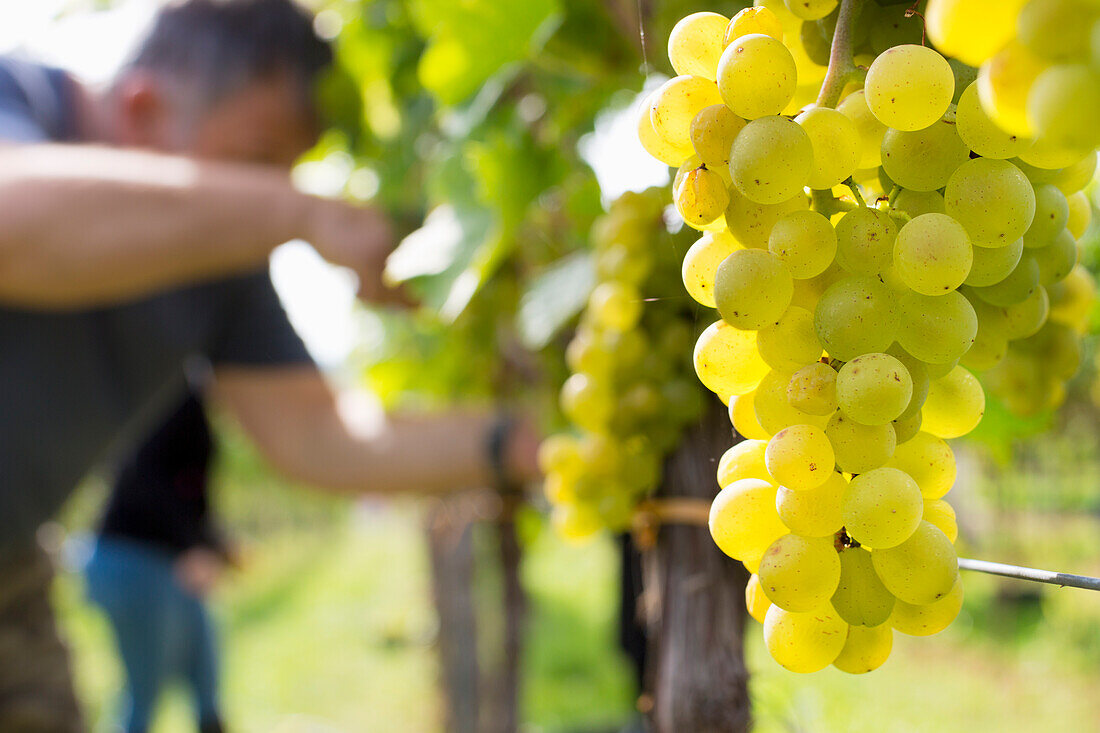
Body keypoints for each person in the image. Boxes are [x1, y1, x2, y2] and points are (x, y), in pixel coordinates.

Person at [0, 1, 539, 731]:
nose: (267, 193)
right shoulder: (17, 94)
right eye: (259, 158)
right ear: (144, 107)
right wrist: (303, 211)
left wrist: (519, 442)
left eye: (284, 172)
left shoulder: (224, 263)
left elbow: (322, 437)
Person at [85, 386, 231, 733]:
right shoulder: (172, 396)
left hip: (168, 562)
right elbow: (142, 478)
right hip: (133, 559)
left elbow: (190, 493)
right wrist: (191, 546)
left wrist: (214, 543)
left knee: (206, 673)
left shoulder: (197, 404)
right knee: (144, 693)